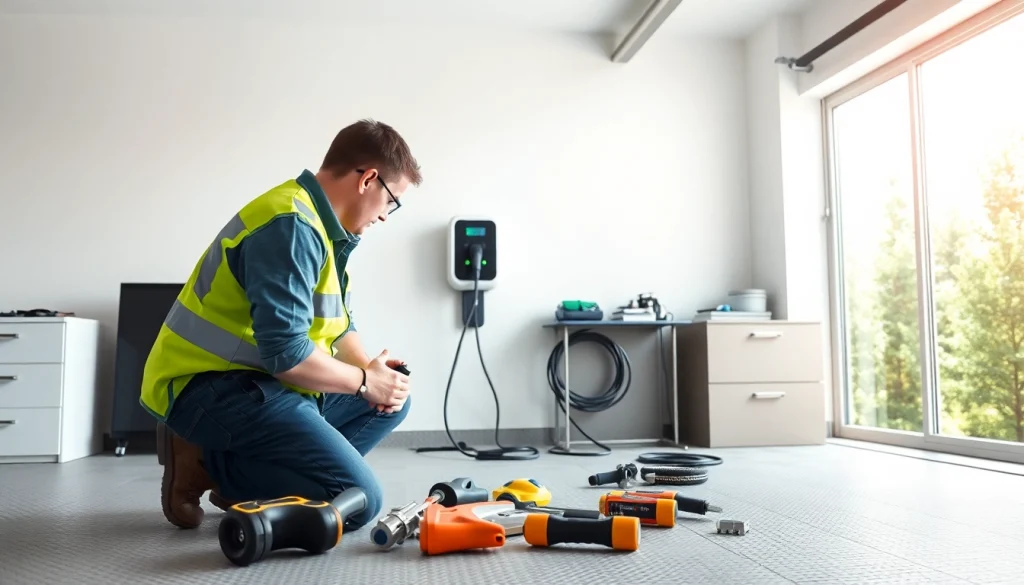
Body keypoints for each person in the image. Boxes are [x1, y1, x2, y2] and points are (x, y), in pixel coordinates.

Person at [138, 119, 422, 530]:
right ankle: (208, 465)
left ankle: (246, 475)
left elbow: (339, 326)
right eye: (392, 201)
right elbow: (287, 354)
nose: (386, 217)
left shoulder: (324, 230)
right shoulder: (290, 225)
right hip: (213, 387)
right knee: (357, 502)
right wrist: (362, 381)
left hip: (263, 383)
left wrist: (374, 375)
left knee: (390, 402)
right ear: (369, 180)